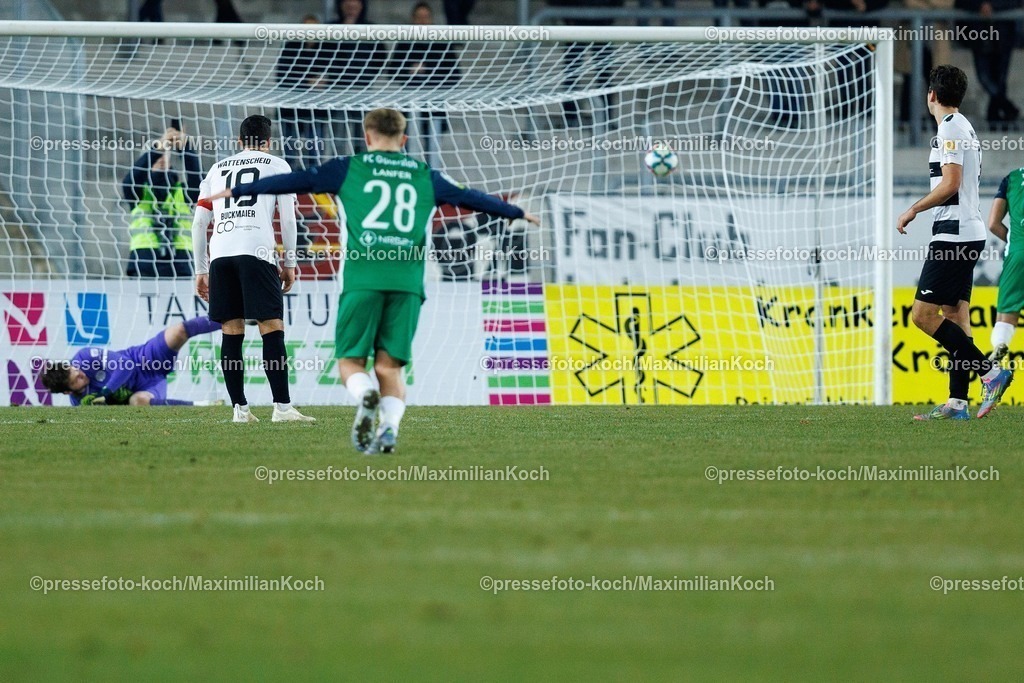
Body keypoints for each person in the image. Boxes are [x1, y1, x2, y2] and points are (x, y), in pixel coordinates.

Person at [202, 108, 540, 453]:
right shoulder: (424, 173)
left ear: (366, 137)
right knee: (388, 366)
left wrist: (239, 190)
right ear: (404, 139)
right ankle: (386, 427)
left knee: (350, 362)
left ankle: (361, 395)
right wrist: (514, 212)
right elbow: (471, 197)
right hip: (408, 281)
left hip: (361, 277)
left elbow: (295, 181)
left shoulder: (349, 168)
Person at [896, 65, 1013, 420]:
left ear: (931, 95)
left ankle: (990, 373)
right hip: (968, 231)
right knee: (956, 316)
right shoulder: (964, 127)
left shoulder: (949, 129)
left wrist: (912, 209)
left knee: (922, 315)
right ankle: (957, 401)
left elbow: (950, 182)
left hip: (954, 235)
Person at [192, 115, 315, 424]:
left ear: (239, 141)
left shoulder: (217, 169)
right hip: (256, 251)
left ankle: (240, 411)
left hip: (220, 254)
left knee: (231, 331)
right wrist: (289, 263)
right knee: (271, 327)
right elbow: (287, 220)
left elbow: (198, 223)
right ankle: (282, 408)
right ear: (269, 142)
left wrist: (200, 269)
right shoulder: (277, 166)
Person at [39, 317, 221, 406]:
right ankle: (203, 405)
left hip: (144, 359)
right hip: (148, 386)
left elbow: (126, 366)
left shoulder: (84, 358)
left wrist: (106, 392)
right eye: (75, 380)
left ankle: (231, 319)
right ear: (68, 391)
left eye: (74, 370)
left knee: (178, 331)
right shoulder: (82, 403)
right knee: (138, 401)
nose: (80, 374)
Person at [123, 123, 202, 278]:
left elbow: (199, 182)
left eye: (164, 153)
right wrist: (159, 146)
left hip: (180, 262)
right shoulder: (139, 191)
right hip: (145, 259)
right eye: (156, 155)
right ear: (146, 160)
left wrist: (185, 147)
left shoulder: (182, 191)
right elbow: (129, 181)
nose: (161, 158)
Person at [388, 3, 462, 166]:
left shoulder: (442, 41)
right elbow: (392, 70)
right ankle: (407, 172)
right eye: (418, 18)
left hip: (434, 103)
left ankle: (432, 175)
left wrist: (428, 71)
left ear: (431, 19)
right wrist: (409, 71)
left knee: (432, 148)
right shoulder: (406, 41)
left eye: (425, 17)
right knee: (407, 145)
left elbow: (454, 74)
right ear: (412, 19)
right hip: (409, 103)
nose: (422, 22)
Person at [327, 0, 386, 155]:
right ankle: (338, 171)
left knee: (362, 138)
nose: (351, 10)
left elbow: (380, 56)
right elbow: (325, 55)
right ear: (340, 7)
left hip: (363, 91)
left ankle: (360, 173)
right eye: (348, 6)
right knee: (337, 139)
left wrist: (369, 75)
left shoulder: (371, 29)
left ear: (362, 7)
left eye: (355, 7)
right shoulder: (331, 28)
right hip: (337, 91)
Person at [276, 15, 331, 170]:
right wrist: (308, 82)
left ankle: (313, 184)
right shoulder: (291, 47)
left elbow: (333, 74)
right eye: (307, 28)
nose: (310, 32)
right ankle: (290, 184)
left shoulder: (325, 49)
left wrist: (325, 80)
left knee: (315, 153)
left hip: (316, 110)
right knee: (290, 155)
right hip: (290, 109)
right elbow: (282, 76)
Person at [954, 0, 1021, 124]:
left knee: (1000, 79)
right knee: (984, 78)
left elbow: (1016, 2)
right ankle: (1008, 108)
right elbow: (960, 3)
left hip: (1003, 34)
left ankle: (995, 117)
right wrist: (980, 6)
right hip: (979, 35)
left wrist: (993, 7)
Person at [986, 167, 1024, 361]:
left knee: (1006, 312)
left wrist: (1012, 241)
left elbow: (993, 223)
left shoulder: (1012, 178)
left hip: (1018, 251)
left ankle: (1001, 344)